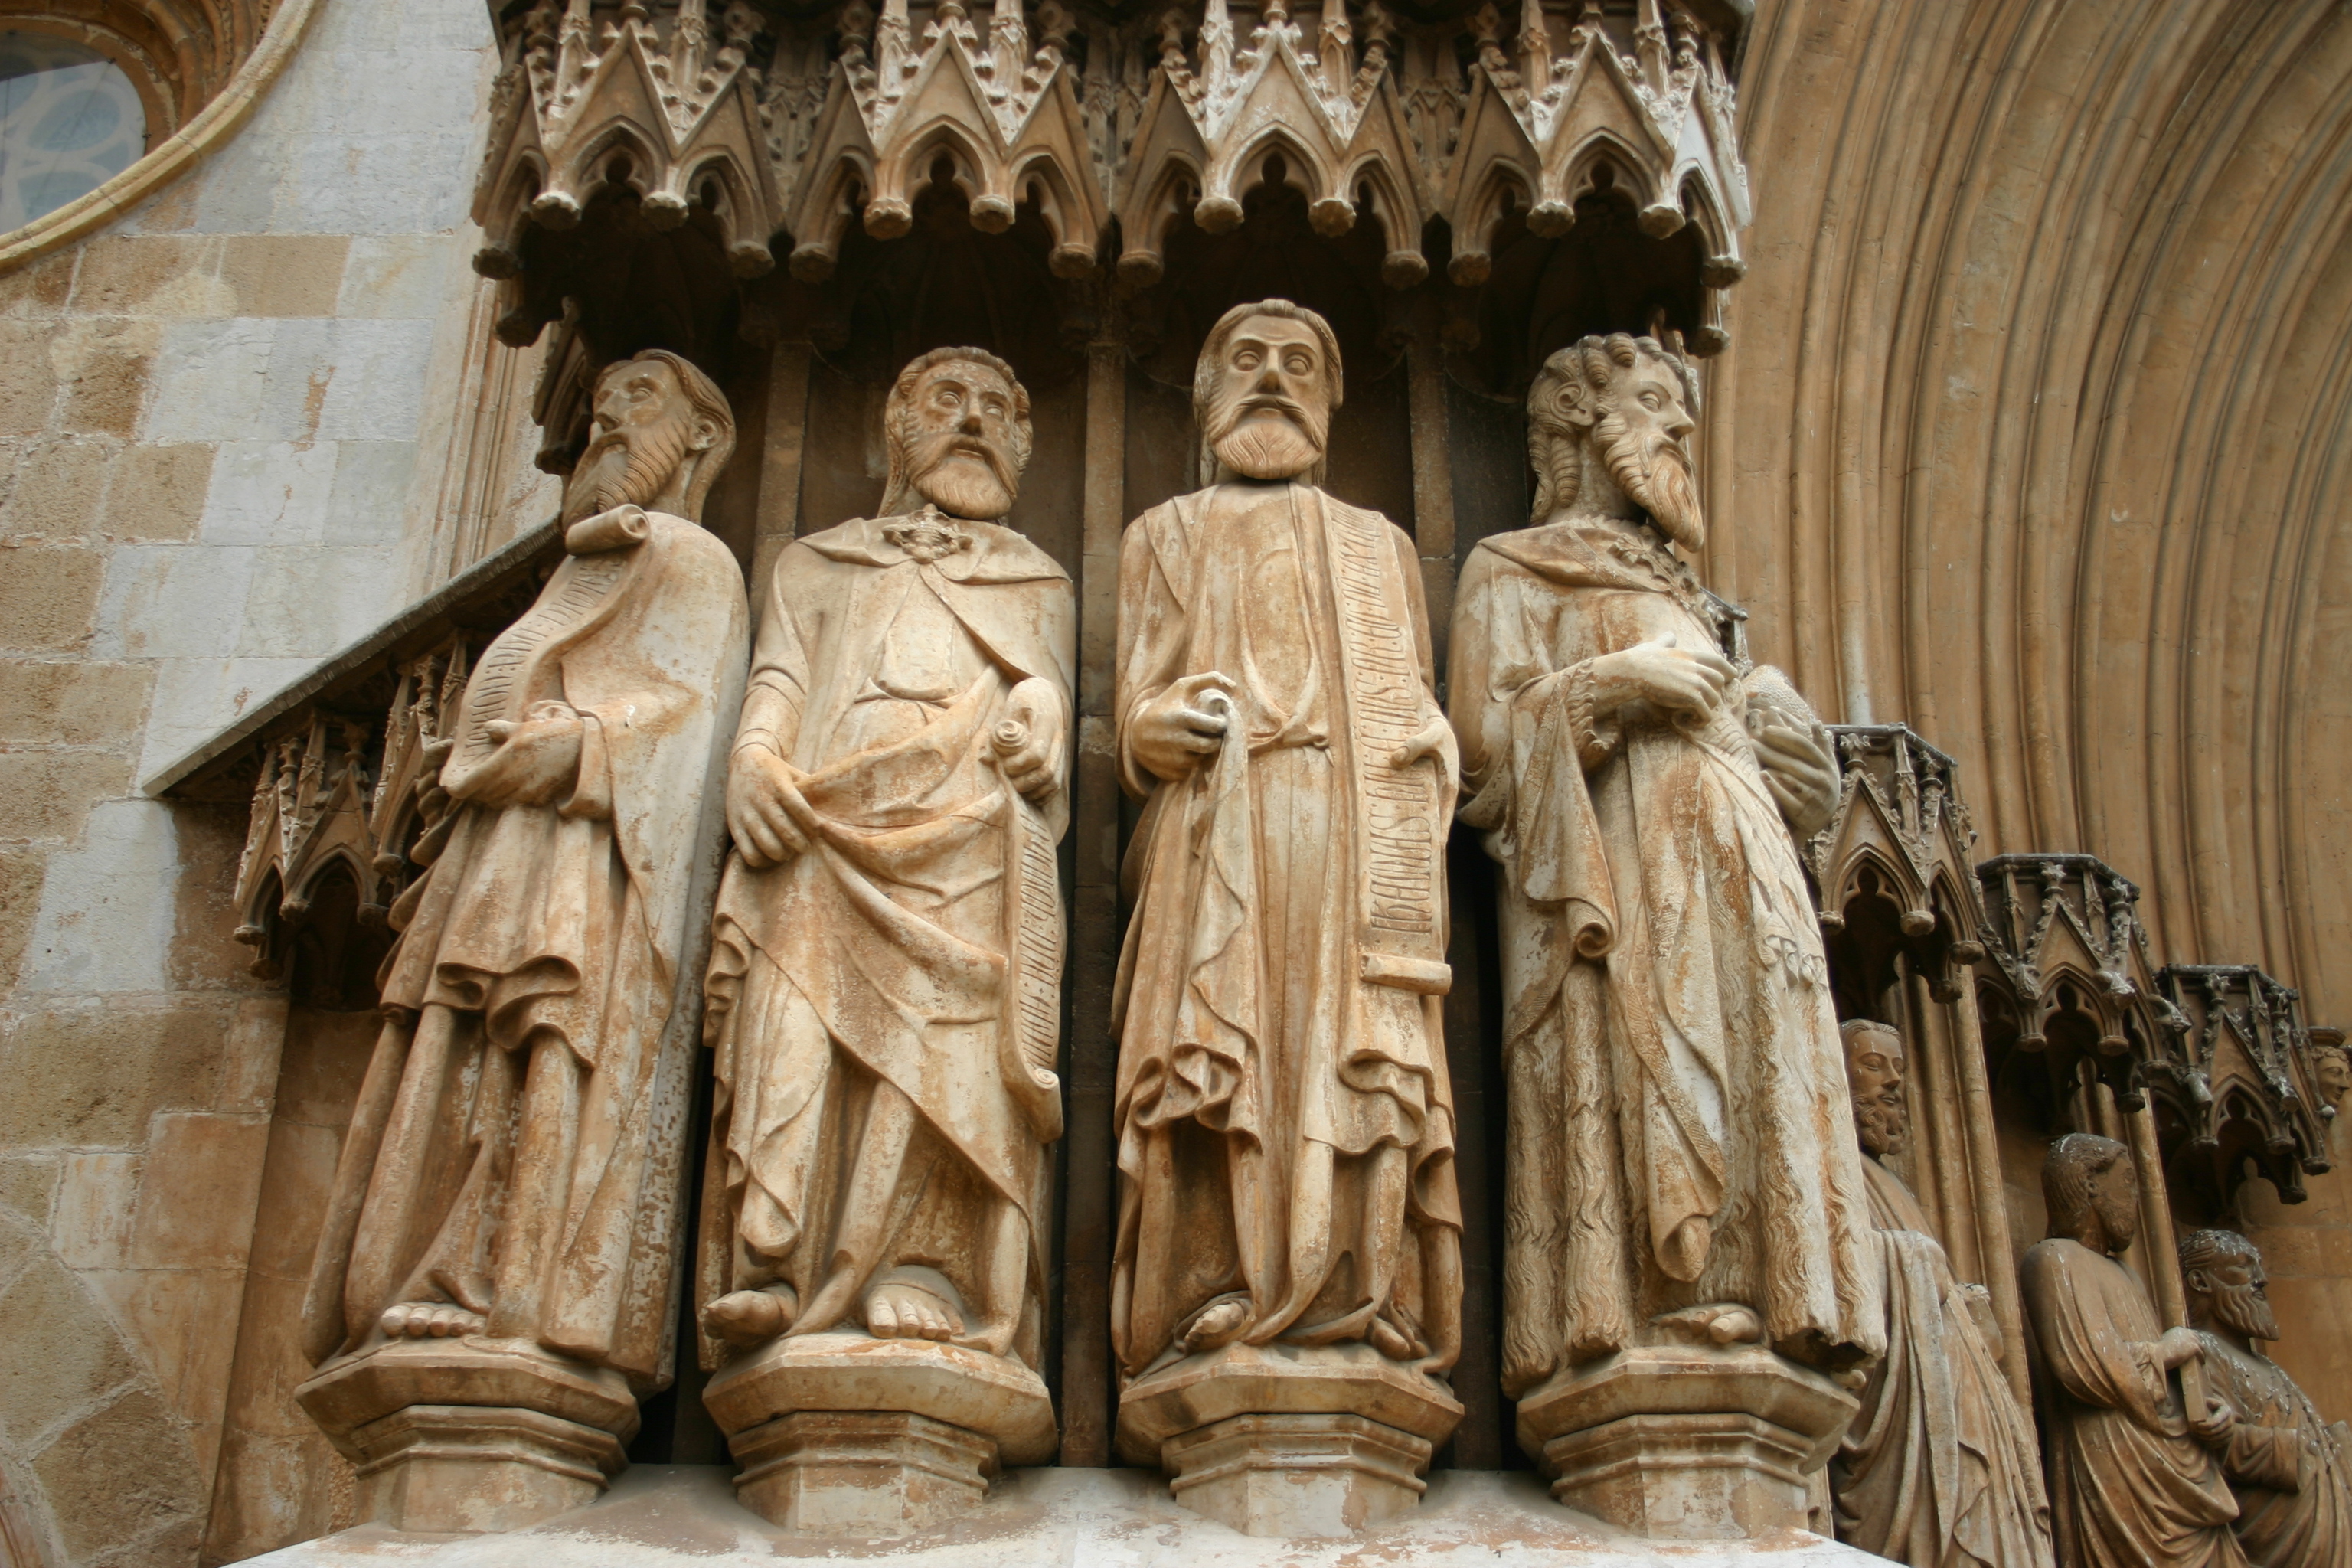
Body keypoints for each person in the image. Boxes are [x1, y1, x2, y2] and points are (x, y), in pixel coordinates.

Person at [302, 351, 748, 1390]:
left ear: (700, 436)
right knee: (472, 1047)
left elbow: (691, 712)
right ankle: (441, 1264)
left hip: (586, 852)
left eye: (641, 401)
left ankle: (515, 1285)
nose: (610, 421)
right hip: (513, 843)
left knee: (545, 1033)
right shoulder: (585, 565)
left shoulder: (689, 556)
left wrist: (583, 743)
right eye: (602, 404)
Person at [1110, 299, 1463, 1387]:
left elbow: (1416, 702)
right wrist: (1149, 731)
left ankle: (1360, 1283)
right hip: (1219, 822)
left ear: (1332, 402)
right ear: (1207, 393)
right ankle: (1215, 1278)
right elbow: (1136, 701)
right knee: (1226, 1047)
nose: (1273, 378)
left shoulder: (1378, 545)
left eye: (1300, 364)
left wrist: (1432, 747)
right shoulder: (1163, 533)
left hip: (1354, 828)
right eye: (1248, 360)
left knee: (1359, 1050)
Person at [698, 347, 1073, 1369]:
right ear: (894, 424)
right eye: (947, 399)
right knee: (790, 1027)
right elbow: (780, 677)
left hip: (964, 838)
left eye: (996, 408)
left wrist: (1045, 708)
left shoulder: (1037, 577)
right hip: (819, 826)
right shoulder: (818, 562)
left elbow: (1045, 684)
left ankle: (923, 1264)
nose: (973, 421)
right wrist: (754, 757)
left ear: (1024, 443)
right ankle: (778, 1258)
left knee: (942, 1055)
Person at [2021, 1132, 2246, 1568]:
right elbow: (2084, 1369)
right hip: (2117, 1457)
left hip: (2175, 1462)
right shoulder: (2053, 1259)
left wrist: (2207, 1410)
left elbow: (2159, 1383)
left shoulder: (2128, 1275)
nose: (2136, 1199)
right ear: (2089, 1184)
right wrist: (2167, 1352)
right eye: (2127, 1182)